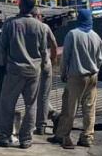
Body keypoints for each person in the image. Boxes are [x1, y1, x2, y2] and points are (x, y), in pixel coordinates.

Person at [0, 0, 48, 149]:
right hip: (34, 70)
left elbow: (2, 47)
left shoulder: (11, 24)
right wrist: (44, 66)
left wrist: (1, 64)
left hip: (15, 69)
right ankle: (26, 139)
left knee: (7, 103)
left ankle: (3, 135)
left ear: (21, 6)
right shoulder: (40, 26)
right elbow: (43, 51)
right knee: (31, 105)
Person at [48, 9, 102, 149]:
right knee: (89, 108)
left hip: (76, 76)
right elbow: (99, 59)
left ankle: (62, 135)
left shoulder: (72, 34)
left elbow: (65, 57)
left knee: (69, 108)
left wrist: (62, 73)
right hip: (92, 76)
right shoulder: (96, 36)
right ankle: (87, 137)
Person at [32, 8, 59, 136]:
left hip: (33, 64)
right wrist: (52, 61)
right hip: (45, 63)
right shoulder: (45, 27)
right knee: (42, 95)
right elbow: (54, 45)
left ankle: (42, 123)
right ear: (38, 16)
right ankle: (50, 118)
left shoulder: (27, 26)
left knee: (35, 95)